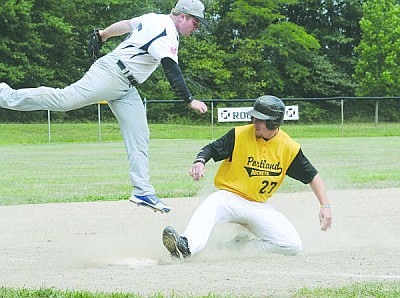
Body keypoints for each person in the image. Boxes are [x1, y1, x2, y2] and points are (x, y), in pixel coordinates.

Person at [0, 0, 209, 213]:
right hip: (111, 74)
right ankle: (5, 95)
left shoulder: (153, 18)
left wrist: (103, 34)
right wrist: (189, 100)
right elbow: (171, 70)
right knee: (64, 100)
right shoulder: (166, 32)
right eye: (195, 22)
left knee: (139, 134)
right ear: (182, 16)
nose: (197, 27)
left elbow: (127, 24)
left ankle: (142, 190)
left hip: (127, 87)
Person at [162, 95, 333, 259]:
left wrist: (325, 206)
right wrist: (200, 161)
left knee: (292, 245)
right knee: (212, 205)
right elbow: (211, 149)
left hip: (259, 206)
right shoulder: (239, 134)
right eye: (254, 118)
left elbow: (313, 176)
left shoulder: (289, 148)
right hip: (229, 199)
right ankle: (186, 246)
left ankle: (240, 248)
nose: (254, 122)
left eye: (260, 119)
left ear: (274, 122)